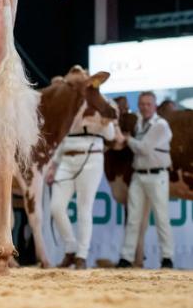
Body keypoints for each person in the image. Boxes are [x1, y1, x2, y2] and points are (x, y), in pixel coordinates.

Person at [47, 101, 118, 269]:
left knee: (84, 208)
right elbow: (62, 139)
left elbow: (110, 136)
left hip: (91, 158)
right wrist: (54, 164)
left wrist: (105, 120)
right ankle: (71, 248)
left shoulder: (102, 106)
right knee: (56, 207)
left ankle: (81, 256)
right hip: (66, 160)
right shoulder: (70, 106)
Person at [118, 91, 174, 269]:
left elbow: (144, 148)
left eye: (148, 104)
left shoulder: (161, 124)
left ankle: (167, 258)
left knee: (161, 218)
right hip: (139, 175)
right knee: (134, 219)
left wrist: (127, 139)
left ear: (155, 106)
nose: (144, 107)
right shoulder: (140, 123)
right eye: (142, 104)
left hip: (158, 176)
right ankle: (126, 258)